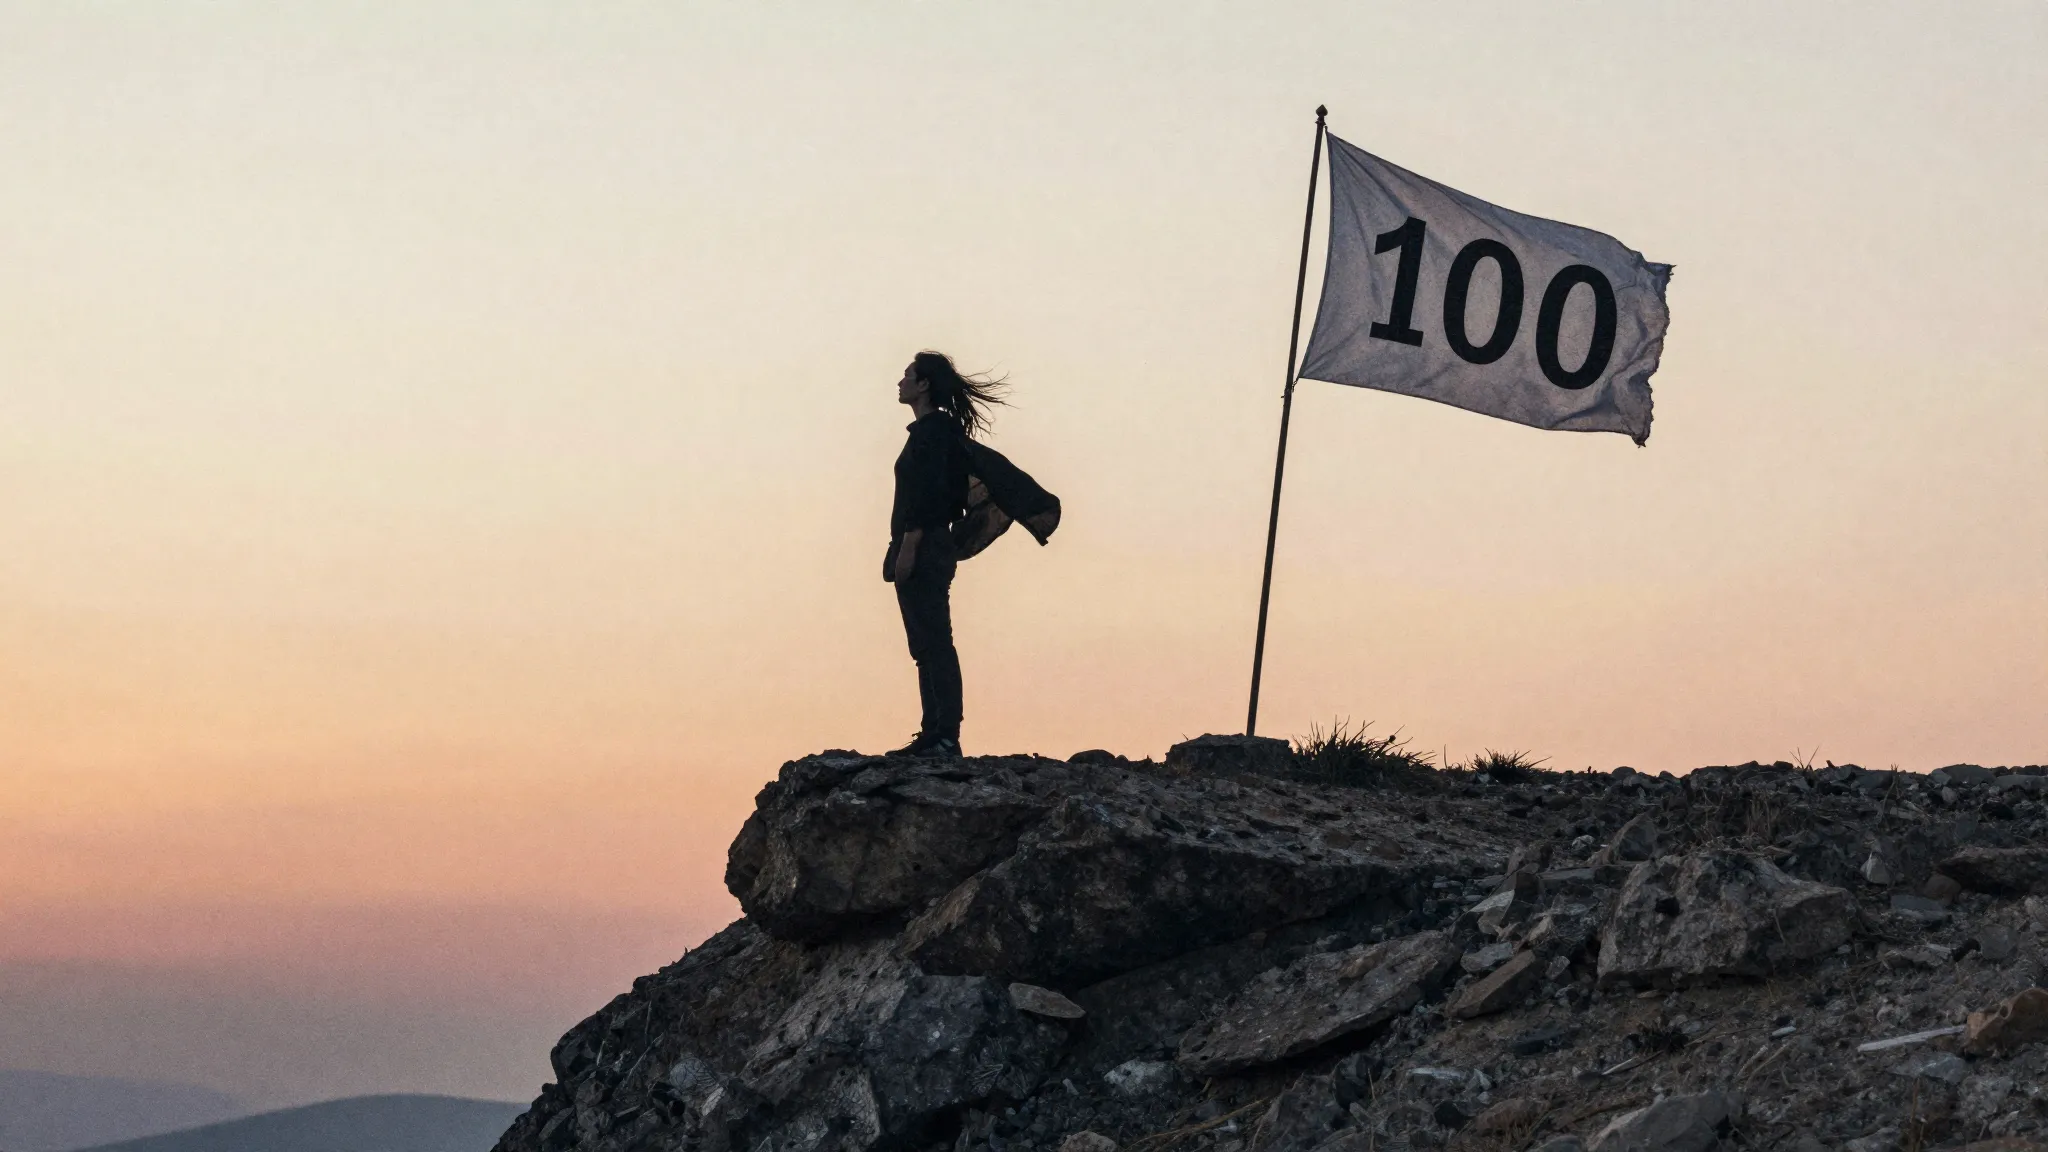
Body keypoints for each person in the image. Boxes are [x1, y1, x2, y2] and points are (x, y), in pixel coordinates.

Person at [884, 351, 1007, 757]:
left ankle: (943, 735)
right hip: (927, 544)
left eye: (907, 376)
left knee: (934, 641)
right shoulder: (933, 432)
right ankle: (934, 732)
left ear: (924, 386)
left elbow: (930, 497)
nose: (899, 382)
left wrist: (909, 548)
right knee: (926, 643)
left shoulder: (933, 434)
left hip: (925, 545)